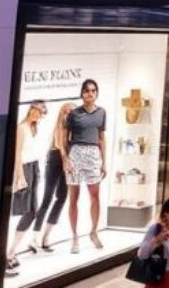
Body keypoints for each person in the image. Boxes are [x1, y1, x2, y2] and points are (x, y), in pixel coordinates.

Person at [6, 101, 50, 274]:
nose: (37, 114)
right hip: (24, 168)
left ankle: (11, 251)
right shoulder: (22, 128)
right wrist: (20, 175)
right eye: (35, 110)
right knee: (24, 209)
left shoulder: (35, 129)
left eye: (40, 112)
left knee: (32, 211)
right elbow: (17, 153)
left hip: (34, 167)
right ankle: (8, 254)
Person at [65, 78, 107, 253]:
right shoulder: (74, 114)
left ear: (96, 93)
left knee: (95, 196)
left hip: (93, 154)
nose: (90, 93)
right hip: (76, 153)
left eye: (93, 90)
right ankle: (74, 237)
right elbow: (65, 138)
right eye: (87, 90)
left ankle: (94, 232)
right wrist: (66, 159)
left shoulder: (102, 113)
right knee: (74, 197)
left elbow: (102, 138)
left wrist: (104, 161)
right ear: (82, 93)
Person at [34, 103, 73, 252]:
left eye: (71, 111)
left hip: (68, 160)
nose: (68, 114)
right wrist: (65, 161)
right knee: (47, 198)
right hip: (56, 158)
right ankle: (34, 236)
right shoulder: (59, 126)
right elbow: (60, 146)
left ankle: (46, 236)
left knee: (62, 197)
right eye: (66, 111)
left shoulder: (74, 128)